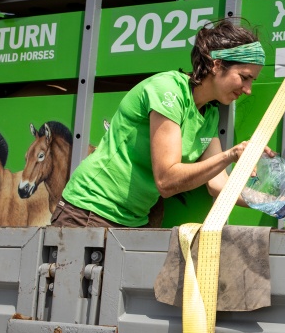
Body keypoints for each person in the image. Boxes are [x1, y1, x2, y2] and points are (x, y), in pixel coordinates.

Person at [52, 18, 269, 228]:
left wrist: (272, 202)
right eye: (244, 77)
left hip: (133, 221)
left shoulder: (209, 114)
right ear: (217, 65)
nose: (248, 90)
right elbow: (166, 180)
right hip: (88, 211)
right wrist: (231, 155)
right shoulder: (168, 90)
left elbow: (217, 184)